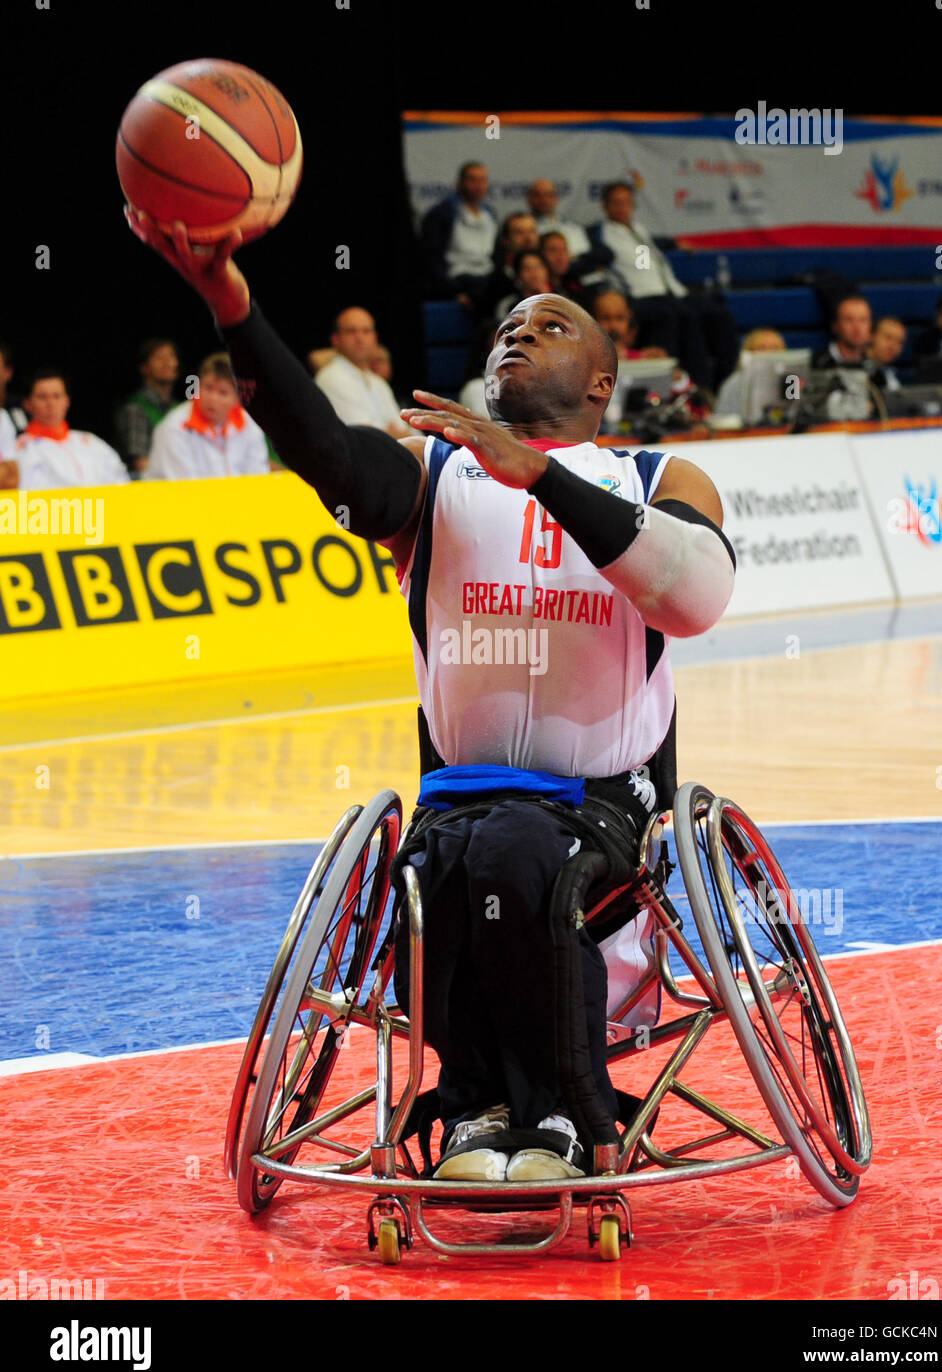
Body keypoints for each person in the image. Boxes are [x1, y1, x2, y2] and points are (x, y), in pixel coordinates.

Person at [125, 207, 735, 1184]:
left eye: (549, 325)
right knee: (453, 853)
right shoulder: (433, 471)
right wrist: (230, 305)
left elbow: (696, 594)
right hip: (461, 797)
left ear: (600, 381)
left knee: (522, 849)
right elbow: (322, 450)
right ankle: (482, 1108)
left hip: (603, 808)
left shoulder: (659, 475)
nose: (517, 331)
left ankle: (559, 1117)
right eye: (506, 323)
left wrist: (540, 477)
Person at [588, 181, 737, 388]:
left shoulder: (638, 229)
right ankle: (689, 386)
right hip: (640, 296)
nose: (622, 207)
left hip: (672, 292)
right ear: (605, 206)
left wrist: (675, 244)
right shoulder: (599, 233)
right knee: (680, 316)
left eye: (626, 202)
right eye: (616, 202)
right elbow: (593, 255)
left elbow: (652, 244)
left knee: (719, 314)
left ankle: (725, 383)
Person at [145, 352, 270, 479]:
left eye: (223, 393)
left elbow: (258, 476)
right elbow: (185, 489)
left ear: (237, 398)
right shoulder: (174, 428)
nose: (213, 398)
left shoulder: (249, 424)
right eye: (208, 388)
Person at [7, 370, 130, 490]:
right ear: (27, 403)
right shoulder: (18, 449)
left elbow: (121, 481)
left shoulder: (90, 441)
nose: (50, 404)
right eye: (42, 397)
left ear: (67, 401)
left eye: (57, 396)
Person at [313, 307, 416, 440]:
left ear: (375, 338)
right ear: (335, 339)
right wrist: (395, 434)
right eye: (351, 331)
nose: (359, 338)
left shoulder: (378, 383)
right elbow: (364, 439)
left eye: (366, 331)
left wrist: (397, 434)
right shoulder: (331, 377)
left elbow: (407, 432)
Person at [420, 162, 499, 307]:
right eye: (472, 180)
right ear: (459, 183)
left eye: (482, 180)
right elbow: (432, 257)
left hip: (488, 278)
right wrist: (453, 292)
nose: (478, 185)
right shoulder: (441, 214)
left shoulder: (490, 214)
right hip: (458, 280)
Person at [114, 338, 181, 475]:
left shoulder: (181, 409)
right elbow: (141, 464)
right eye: (159, 357)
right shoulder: (135, 409)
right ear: (144, 368)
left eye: (171, 356)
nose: (167, 363)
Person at [712, 327, 787, 420]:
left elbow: (796, 414)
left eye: (775, 348)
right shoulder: (734, 383)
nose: (770, 353)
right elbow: (721, 421)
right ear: (749, 352)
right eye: (762, 348)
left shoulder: (792, 380)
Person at [811, 295, 873, 368]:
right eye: (849, 320)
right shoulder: (816, 363)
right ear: (835, 326)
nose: (857, 328)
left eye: (863, 320)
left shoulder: (875, 364)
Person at [866, 317, 907, 392]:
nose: (893, 346)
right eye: (888, 338)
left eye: (899, 342)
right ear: (871, 336)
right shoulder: (852, 367)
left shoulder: (889, 376)